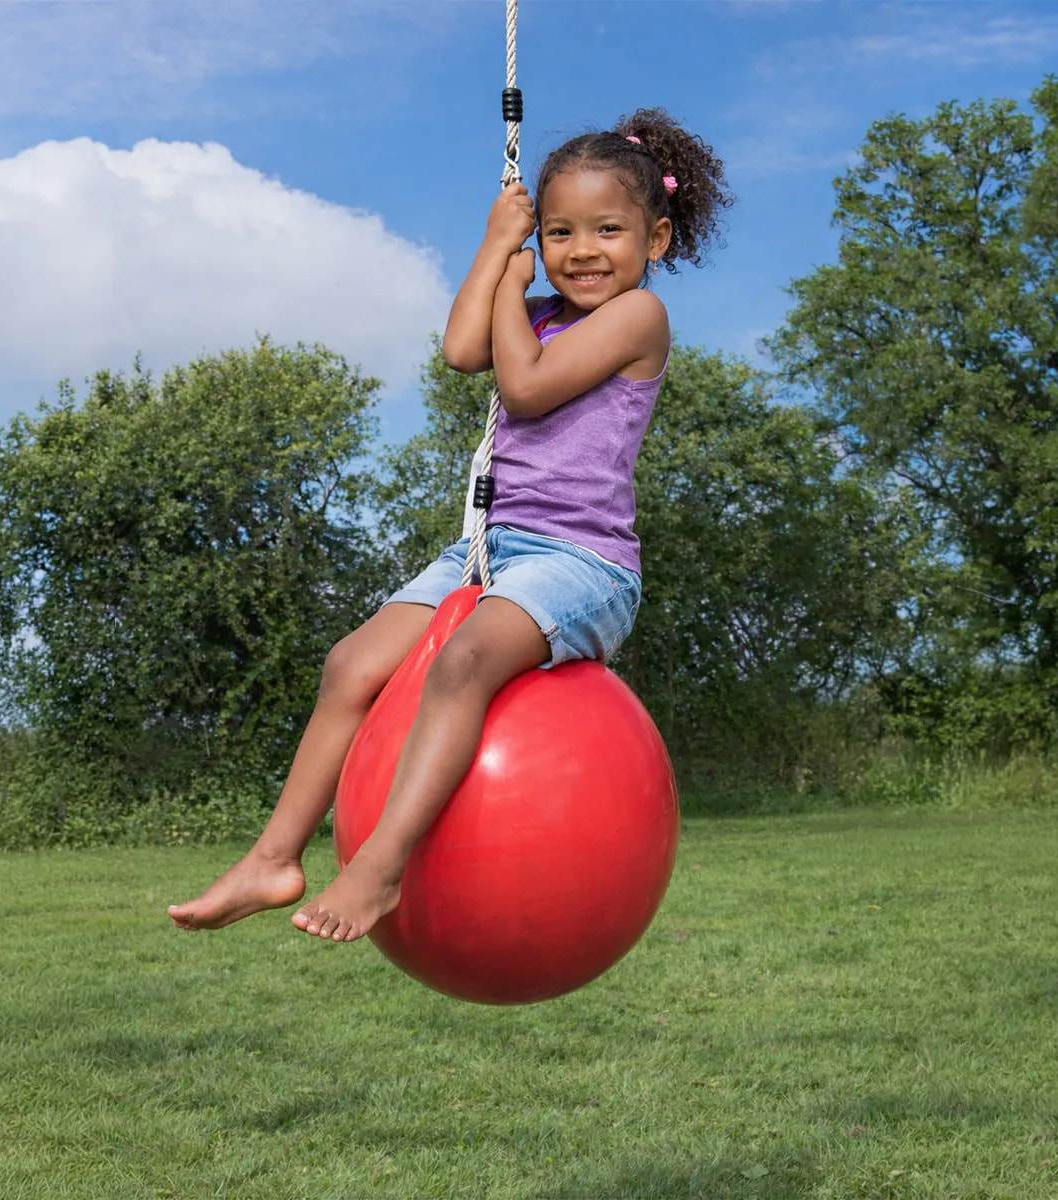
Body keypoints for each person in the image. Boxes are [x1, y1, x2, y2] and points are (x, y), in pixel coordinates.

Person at [168, 107, 731, 943]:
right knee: (351, 664)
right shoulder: (535, 308)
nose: (580, 251)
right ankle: (274, 857)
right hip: (486, 550)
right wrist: (496, 247)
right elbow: (464, 350)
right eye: (558, 231)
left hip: (581, 563)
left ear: (654, 241)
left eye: (608, 230)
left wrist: (515, 280)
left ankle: (381, 864)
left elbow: (528, 387)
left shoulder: (637, 320)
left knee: (463, 662)